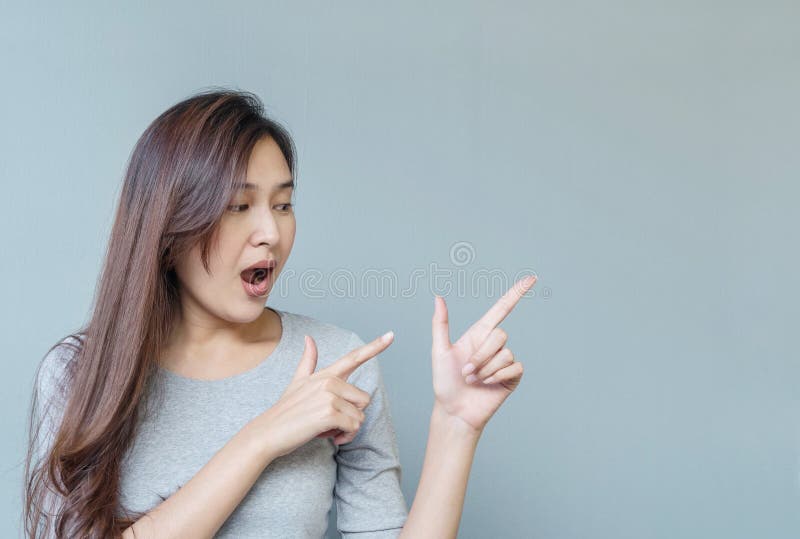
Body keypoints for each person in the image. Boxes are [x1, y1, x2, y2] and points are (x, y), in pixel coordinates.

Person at [23, 88, 536, 538]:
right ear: (168, 226)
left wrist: (455, 426)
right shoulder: (78, 374)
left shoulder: (338, 364)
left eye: (283, 204)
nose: (270, 231)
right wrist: (263, 437)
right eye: (239, 206)